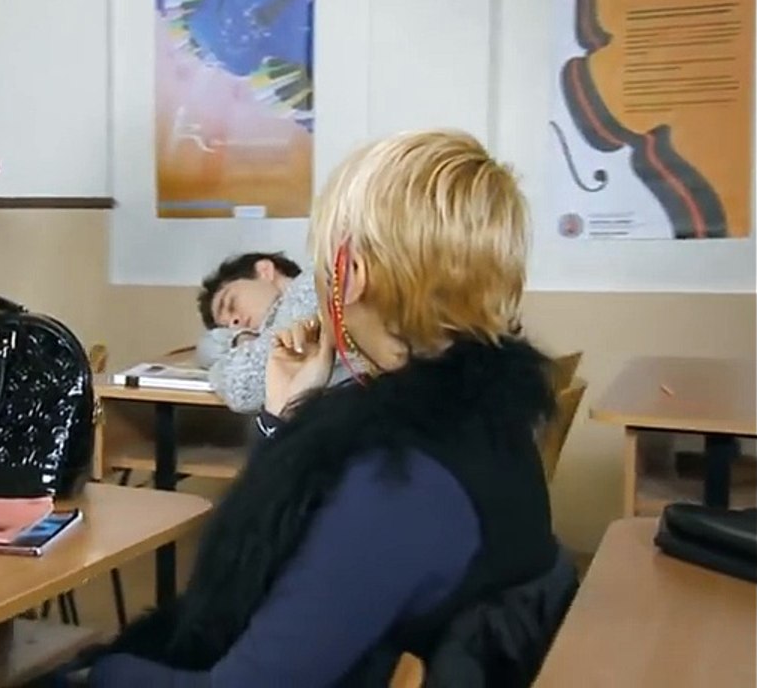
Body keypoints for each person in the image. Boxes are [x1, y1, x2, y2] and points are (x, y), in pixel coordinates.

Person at [87, 130, 576, 686]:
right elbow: (303, 546)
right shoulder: (485, 418)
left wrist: (101, 673)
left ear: (352, 274)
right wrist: (286, 416)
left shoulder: (398, 480)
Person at [195, 252, 345, 413]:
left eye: (231, 304)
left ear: (264, 270)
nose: (234, 323)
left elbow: (244, 388)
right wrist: (239, 338)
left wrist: (237, 342)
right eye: (227, 328)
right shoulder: (274, 329)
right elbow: (207, 347)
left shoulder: (313, 284)